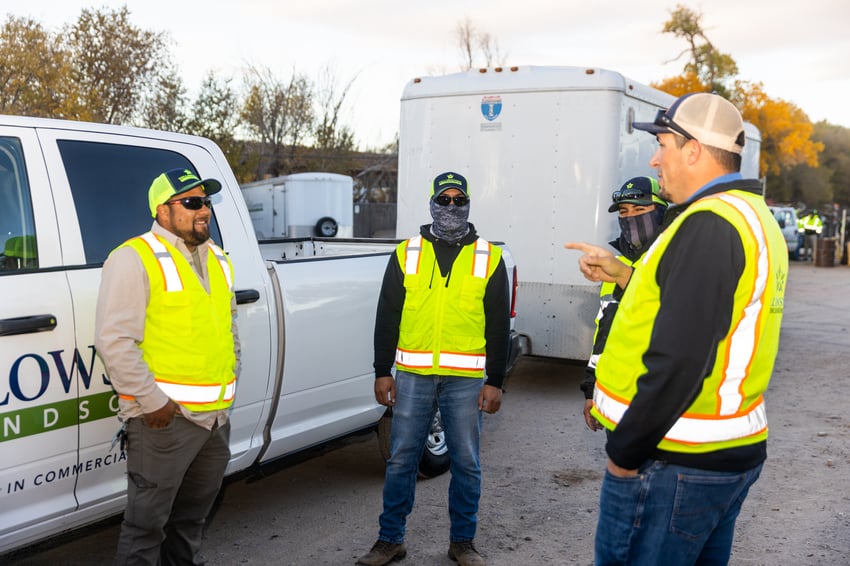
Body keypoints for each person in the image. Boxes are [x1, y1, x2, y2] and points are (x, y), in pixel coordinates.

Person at [565, 92, 788, 565]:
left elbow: (682, 358)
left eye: (663, 143)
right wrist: (624, 274)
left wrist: (624, 453)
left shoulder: (709, 225)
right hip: (718, 452)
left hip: (676, 458)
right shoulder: (749, 215)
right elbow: (701, 310)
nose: (654, 157)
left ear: (694, 150)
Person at [357, 172, 510, 566]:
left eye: (459, 201)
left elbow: (498, 325)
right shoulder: (406, 253)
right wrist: (381, 369)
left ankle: (463, 542)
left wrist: (496, 381)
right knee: (402, 459)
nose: (452, 208)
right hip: (412, 376)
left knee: (466, 463)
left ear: (469, 205)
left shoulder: (489, 257)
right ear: (432, 204)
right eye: (445, 201)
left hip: (466, 380)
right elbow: (387, 315)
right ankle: (390, 539)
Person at [95, 167, 239, 565]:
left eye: (206, 202)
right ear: (162, 210)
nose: (204, 210)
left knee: (191, 524)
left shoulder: (220, 260)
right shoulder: (132, 258)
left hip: (214, 422)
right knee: (145, 530)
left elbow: (229, 333)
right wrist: (152, 402)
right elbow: (115, 341)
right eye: (192, 202)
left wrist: (229, 387)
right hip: (164, 421)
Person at [580, 177, 667, 431]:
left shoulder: (673, 259)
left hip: (657, 403)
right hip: (616, 401)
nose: (631, 218)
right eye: (624, 212)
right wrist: (591, 389)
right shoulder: (617, 264)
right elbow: (604, 332)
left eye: (640, 210)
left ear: (662, 212)